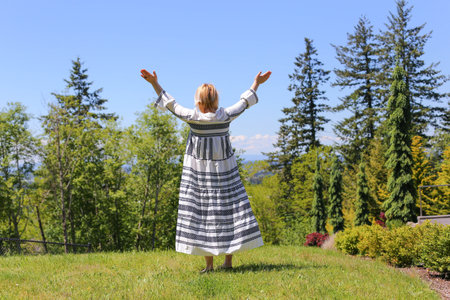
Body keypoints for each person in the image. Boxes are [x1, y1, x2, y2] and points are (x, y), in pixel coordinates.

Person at [140, 68, 272, 274]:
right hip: (226, 174)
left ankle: (209, 265)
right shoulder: (225, 116)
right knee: (230, 213)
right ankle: (228, 262)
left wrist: (153, 83)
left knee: (203, 215)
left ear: (199, 102)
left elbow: (170, 104)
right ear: (216, 101)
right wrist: (256, 83)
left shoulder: (193, 118)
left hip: (200, 176)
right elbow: (245, 102)